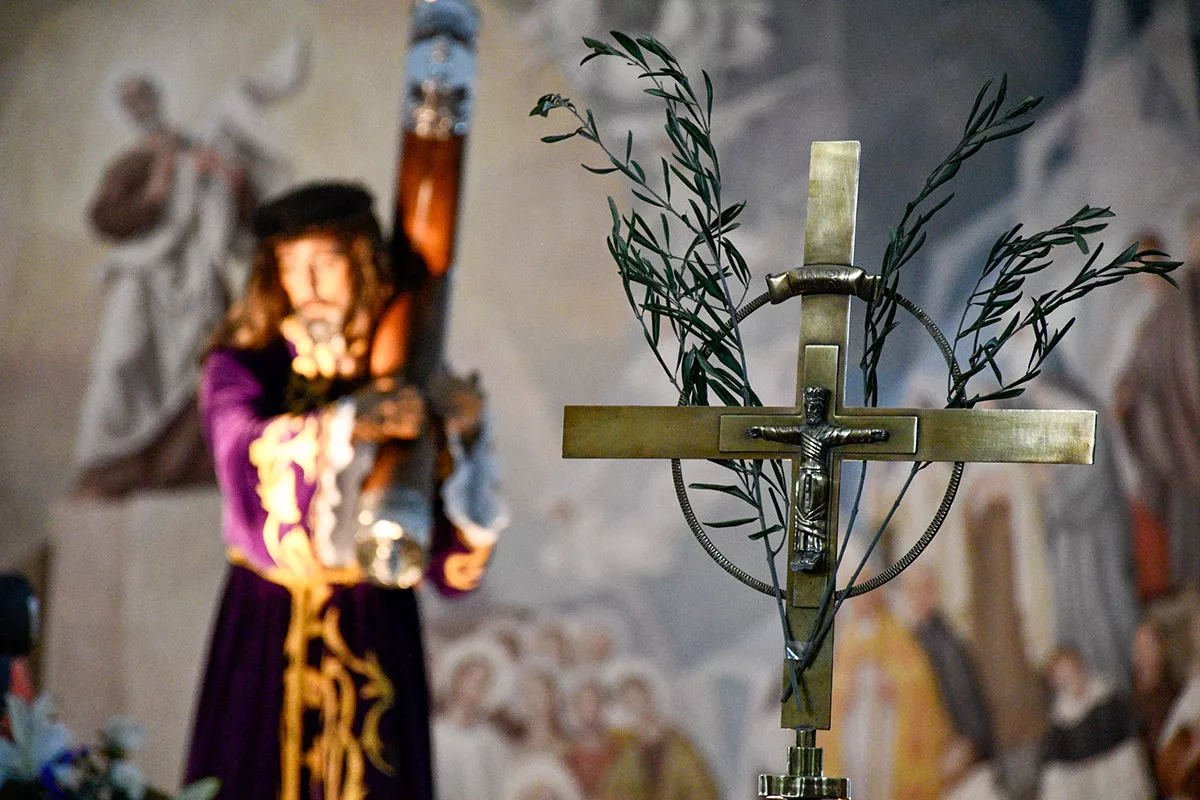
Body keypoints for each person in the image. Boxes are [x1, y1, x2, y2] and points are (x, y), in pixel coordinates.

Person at [184, 182, 504, 800]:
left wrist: (463, 433)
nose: (308, 285)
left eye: (325, 263)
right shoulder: (241, 366)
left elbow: (449, 564)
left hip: (373, 624)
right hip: (266, 625)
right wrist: (346, 424)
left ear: (359, 261)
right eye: (290, 266)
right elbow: (241, 452)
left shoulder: (402, 367)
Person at [1038, 647, 1152, 800]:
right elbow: (1056, 778)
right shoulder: (1060, 727)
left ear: (1082, 668)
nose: (1072, 682)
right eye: (1063, 678)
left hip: (1120, 780)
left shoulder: (1109, 702)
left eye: (1073, 673)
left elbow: (1131, 754)